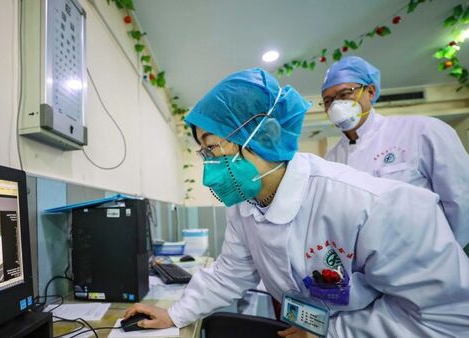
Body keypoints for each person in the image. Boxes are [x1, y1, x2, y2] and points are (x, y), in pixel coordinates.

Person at [124, 68, 469, 337]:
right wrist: (175, 313)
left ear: (266, 137)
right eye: (204, 152)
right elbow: (231, 273)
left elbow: (445, 316)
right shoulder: (246, 203)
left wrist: (334, 332)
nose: (209, 166)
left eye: (214, 148)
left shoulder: (372, 205)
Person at [321, 56, 469, 254]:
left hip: (430, 262)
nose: (336, 106)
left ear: (370, 91)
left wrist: (445, 257)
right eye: (328, 101)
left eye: (345, 94)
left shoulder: (422, 131)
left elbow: (461, 199)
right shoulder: (331, 160)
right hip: (369, 272)